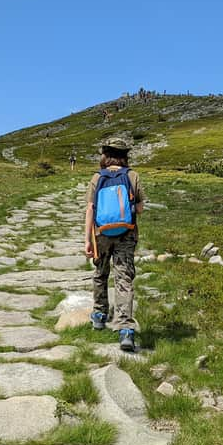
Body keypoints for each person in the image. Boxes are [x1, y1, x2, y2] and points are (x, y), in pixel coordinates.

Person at [84, 138, 146, 351]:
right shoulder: (132, 176)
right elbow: (139, 209)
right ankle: (125, 329)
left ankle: (99, 315)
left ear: (105, 154)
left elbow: (90, 209)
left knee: (101, 273)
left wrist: (87, 240)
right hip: (126, 234)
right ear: (124, 155)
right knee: (124, 278)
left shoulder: (97, 177)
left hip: (101, 234)